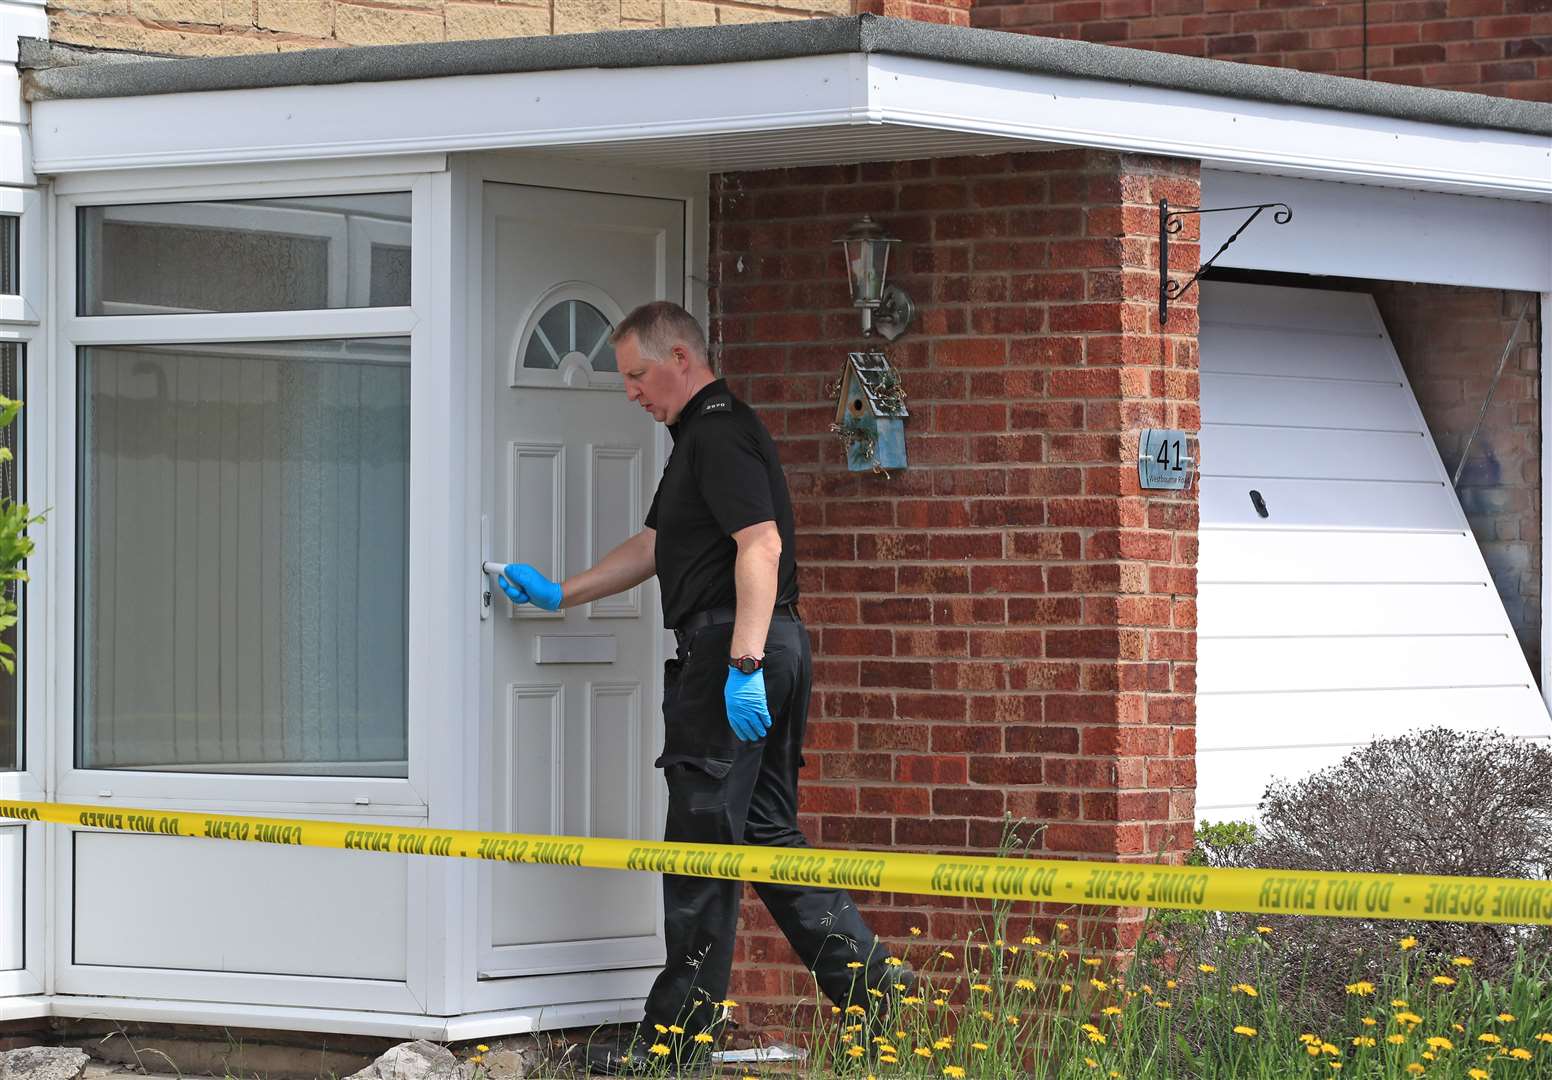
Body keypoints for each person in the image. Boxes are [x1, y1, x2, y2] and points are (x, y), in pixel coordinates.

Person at [498, 301, 899, 1076]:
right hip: (761, 644)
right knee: (769, 840)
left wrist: (742, 665)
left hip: (733, 650)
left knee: (699, 850)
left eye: (637, 375)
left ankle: (673, 1048)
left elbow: (762, 544)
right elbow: (657, 544)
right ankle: (883, 1007)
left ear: (680, 357)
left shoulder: (716, 432)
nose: (631, 393)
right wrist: (561, 592)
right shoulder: (701, 440)